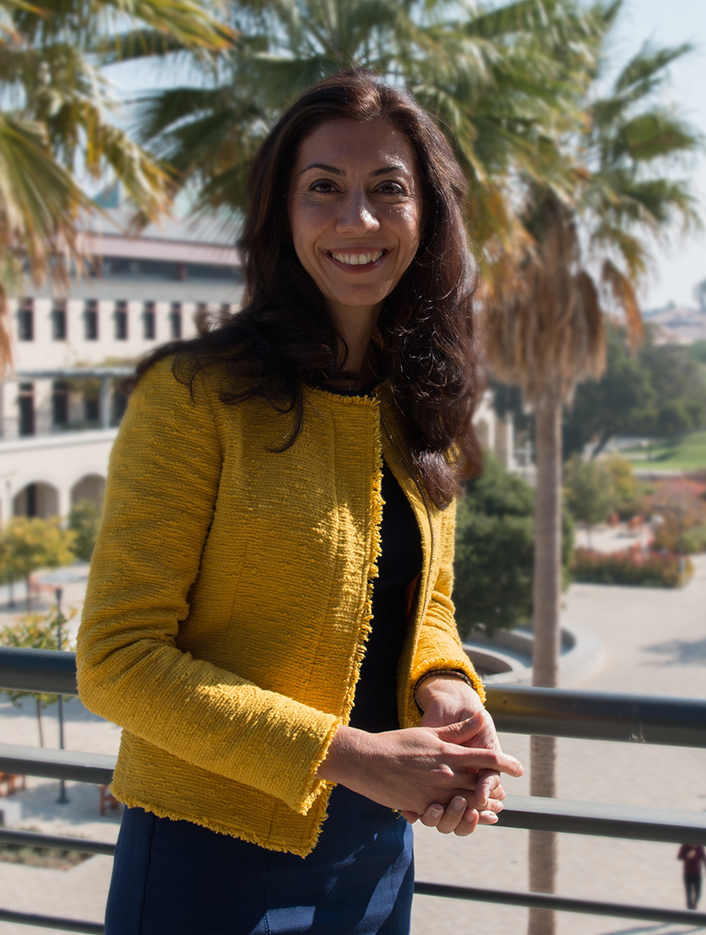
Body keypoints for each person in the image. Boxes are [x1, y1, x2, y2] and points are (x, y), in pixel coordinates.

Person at [76, 68, 524, 935]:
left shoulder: (419, 401)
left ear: (426, 216)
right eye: (324, 188)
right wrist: (348, 753)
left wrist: (444, 682)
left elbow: (424, 601)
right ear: (282, 214)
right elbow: (117, 659)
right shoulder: (193, 395)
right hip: (208, 853)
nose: (357, 220)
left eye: (387, 188)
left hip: (376, 854)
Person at [678, 844, 706, 909]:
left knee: (698, 894)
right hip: (687, 874)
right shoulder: (685, 846)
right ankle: (689, 913)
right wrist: (688, 856)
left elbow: (704, 859)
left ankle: (694, 906)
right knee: (688, 895)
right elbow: (679, 857)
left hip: (697, 874)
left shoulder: (700, 847)